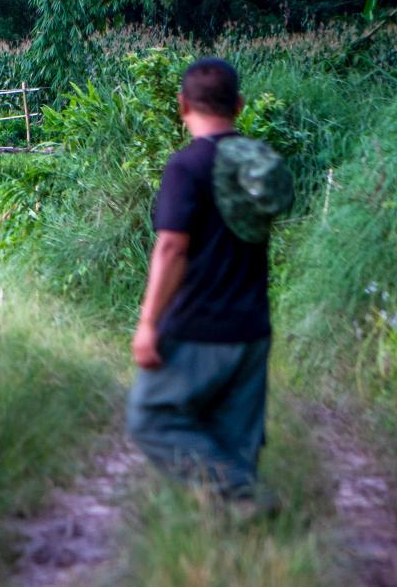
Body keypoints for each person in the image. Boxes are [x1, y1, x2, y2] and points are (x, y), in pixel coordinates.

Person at [126, 57, 274, 505]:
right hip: (252, 324)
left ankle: (250, 497)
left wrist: (148, 323)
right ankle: (243, 528)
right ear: (239, 104)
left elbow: (172, 248)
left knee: (151, 418)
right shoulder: (260, 163)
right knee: (235, 439)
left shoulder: (186, 166)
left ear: (182, 104)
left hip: (199, 323)